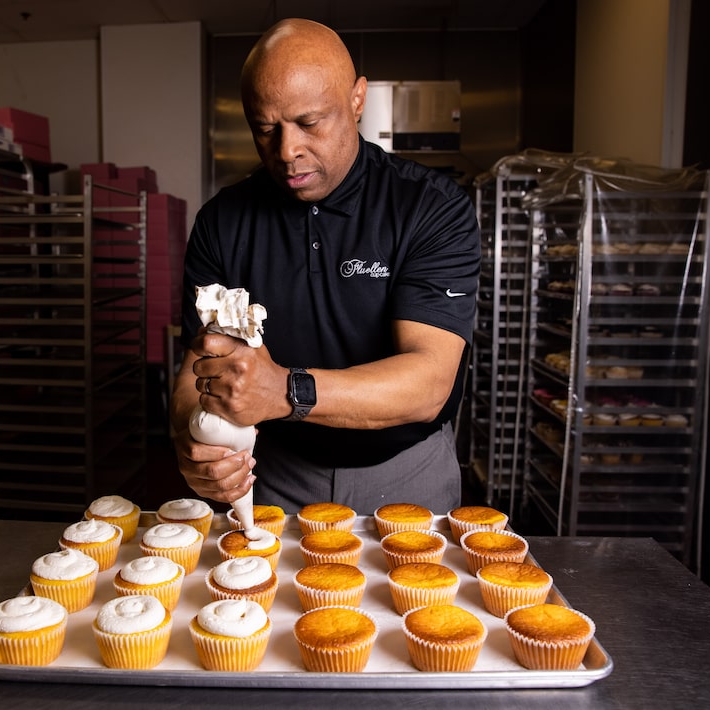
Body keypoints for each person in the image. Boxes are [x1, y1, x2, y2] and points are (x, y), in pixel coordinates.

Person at [170, 18, 480, 515]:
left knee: (418, 596)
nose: (287, 152)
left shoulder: (430, 207)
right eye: (265, 129)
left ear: (358, 99)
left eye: (310, 123)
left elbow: (428, 382)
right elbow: (199, 366)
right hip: (275, 470)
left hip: (405, 470)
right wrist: (192, 436)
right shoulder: (222, 222)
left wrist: (286, 390)